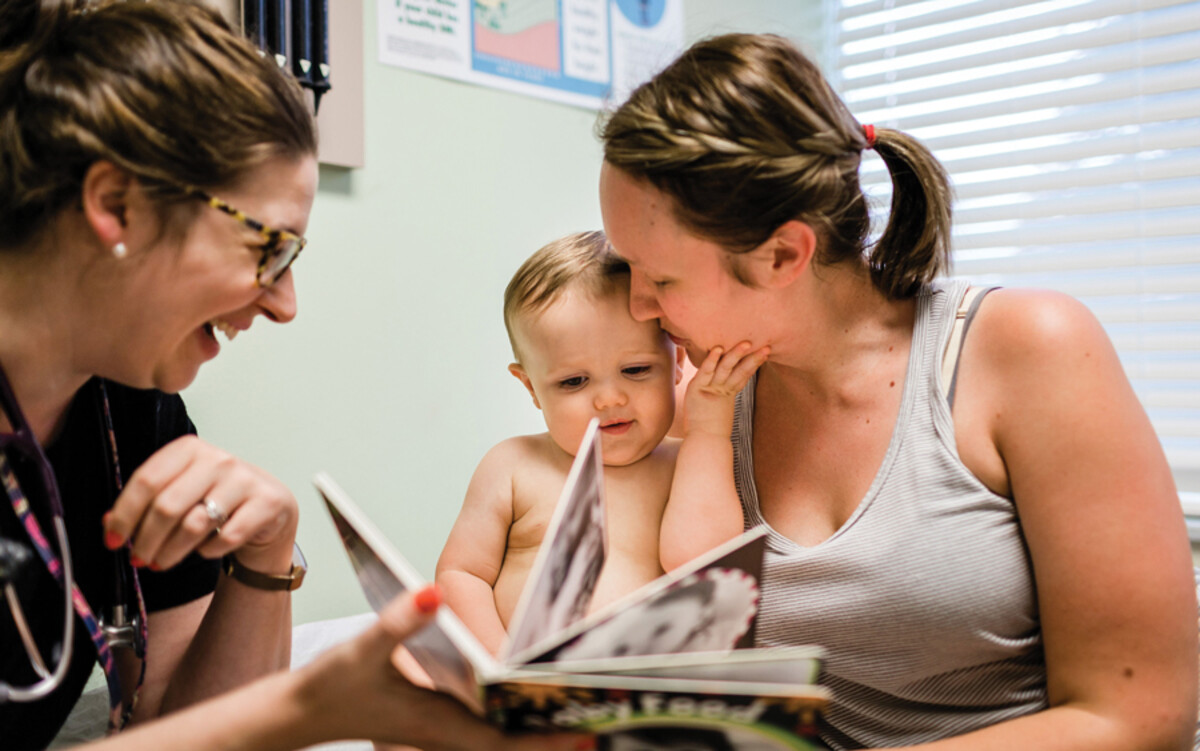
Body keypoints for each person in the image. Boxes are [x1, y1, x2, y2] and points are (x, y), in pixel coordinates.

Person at [0, 2, 589, 750]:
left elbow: (184, 727)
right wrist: (309, 709)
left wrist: (267, 555)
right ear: (117, 204)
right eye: (270, 250)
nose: (285, 304)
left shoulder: (132, 411)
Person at [596, 32, 1198, 751]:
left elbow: (1141, 716)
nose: (637, 306)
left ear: (784, 253)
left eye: (661, 279)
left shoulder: (1028, 350)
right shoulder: (707, 402)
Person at [436, 232, 767, 655]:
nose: (609, 399)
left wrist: (708, 431)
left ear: (677, 365)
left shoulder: (685, 463)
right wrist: (498, 666)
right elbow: (462, 575)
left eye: (635, 369)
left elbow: (701, 564)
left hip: (645, 693)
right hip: (523, 689)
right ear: (531, 387)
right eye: (574, 381)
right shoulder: (514, 465)